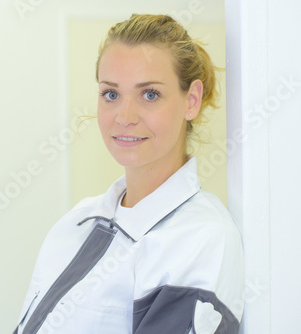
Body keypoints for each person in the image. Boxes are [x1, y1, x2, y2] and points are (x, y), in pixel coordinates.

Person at [14, 14, 244, 334]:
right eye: (111, 94)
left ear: (191, 100)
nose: (124, 116)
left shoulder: (200, 238)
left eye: (149, 94)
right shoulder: (73, 226)